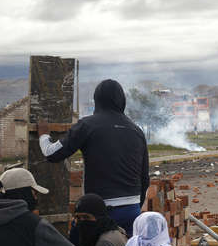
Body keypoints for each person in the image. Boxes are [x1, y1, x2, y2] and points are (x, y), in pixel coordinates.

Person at [39, 79, 150, 237]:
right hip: (132, 211)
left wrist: (43, 134)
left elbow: (51, 154)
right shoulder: (137, 131)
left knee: (79, 245)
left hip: (98, 213)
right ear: (122, 100)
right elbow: (145, 178)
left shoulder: (87, 125)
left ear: (97, 100)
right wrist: (134, 206)